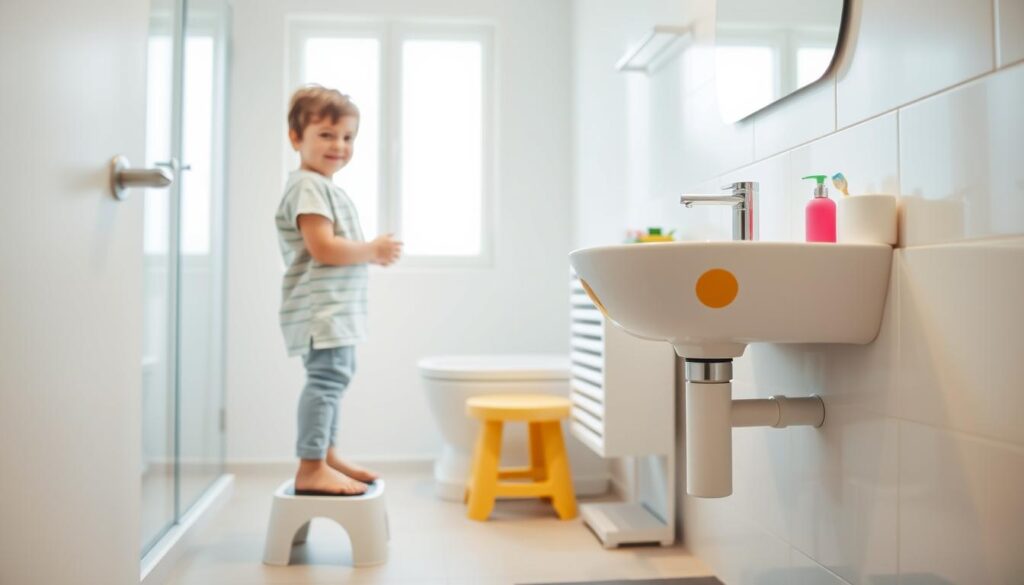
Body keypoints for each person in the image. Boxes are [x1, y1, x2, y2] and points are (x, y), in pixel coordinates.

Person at [275, 85, 402, 495]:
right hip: (322, 310)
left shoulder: (322, 186)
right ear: (296, 138)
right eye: (326, 135)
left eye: (348, 137)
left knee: (336, 377)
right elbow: (323, 248)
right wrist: (372, 250)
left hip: (334, 310)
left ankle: (325, 453)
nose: (339, 145)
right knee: (327, 379)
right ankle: (311, 465)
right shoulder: (308, 186)